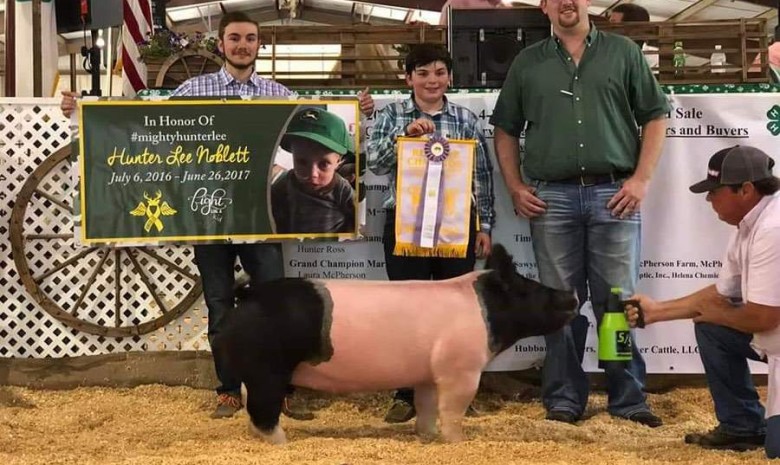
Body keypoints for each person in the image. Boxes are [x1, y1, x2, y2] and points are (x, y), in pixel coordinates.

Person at [60, 11, 374, 420]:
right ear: (221, 44)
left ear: (259, 45)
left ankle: (277, 391)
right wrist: (82, 110)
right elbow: (148, 129)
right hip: (207, 216)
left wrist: (362, 111)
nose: (242, 45)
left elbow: (328, 133)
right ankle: (228, 388)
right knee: (220, 304)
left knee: (276, 305)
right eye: (234, 38)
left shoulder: (280, 96)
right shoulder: (194, 89)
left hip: (262, 222)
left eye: (249, 38)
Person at [490, 0, 669, 427]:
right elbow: (505, 129)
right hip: (552, 199)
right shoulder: (527, 62)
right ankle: (564, 398)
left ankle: (627, 398)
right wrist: (516, 186)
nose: (566, 2)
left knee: (616, 304)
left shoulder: (623, 53)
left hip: (615, 194)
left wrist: (641, 179)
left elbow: (655, 116)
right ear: (545, 8)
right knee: (560, 305)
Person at [367, 43, 495, 424]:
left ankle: (454, 392)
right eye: (422, 73)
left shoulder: (466, 119)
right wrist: (403, 136)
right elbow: (373, 163)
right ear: (407, 79)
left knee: (456, 312)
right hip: (405, 225)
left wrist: (484, 224)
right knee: (408, 311)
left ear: (450, 77)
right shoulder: (392, 115)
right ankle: (406, 392)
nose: (432, 80)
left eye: (439, 72)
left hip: (457, 226)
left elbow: (481, 175)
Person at [625, 145, 780, 457]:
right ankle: (742, 426)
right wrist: (657, 312)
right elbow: (720, 294)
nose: (709, 199)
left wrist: (718, 314)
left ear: (746, 190)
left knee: (777, 451)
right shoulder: (750, 224)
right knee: (712, 327)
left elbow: (764, 318)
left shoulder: (772, 229)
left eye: (715, 191)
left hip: (774, 336)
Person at [271, 107, 356, 234]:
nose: (312, 174)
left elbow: (355, 221)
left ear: (338, 161)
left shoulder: (342, 189)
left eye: (324, 164)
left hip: (331, 250)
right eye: (302, 162)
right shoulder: (283, 185)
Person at [608, 3, 658, 70]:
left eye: (613, 24)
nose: (608, 28)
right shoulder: (606, 53)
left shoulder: (653, 56)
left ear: (633, 28)